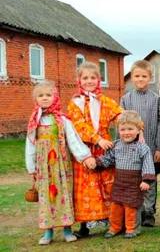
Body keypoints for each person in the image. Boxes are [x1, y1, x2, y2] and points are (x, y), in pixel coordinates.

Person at [25, 80, 96, 245]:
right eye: (40, 95)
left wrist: (85, 156)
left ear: (55, 97)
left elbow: (73, 140)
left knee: (64, 194)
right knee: (46, 197)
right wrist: (32, 168)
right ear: (35, 99)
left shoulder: (63, 119)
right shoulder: (34, 121)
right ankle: (48, 232)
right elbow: (30, 145)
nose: (44, 98)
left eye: (48, 95)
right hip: (44, 167)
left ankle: (67, 230)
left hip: (62, 165)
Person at [68, 62, 123, 237]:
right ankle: (84, 227)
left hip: (105, 148)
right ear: (79, 80)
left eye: (93, 77)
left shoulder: (105, 101)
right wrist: (97, 139)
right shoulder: (74, 103)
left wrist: (133, 124)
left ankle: (114, 223)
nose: (89, 81)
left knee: (108, 185)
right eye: (85, 78)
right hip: (86, 148)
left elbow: (119, 113)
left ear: (99, 80)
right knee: (85, 188)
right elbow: (79, 125)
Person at [96, 111, 156, 239]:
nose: (126, 132)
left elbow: (148, 165)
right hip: (118, 183)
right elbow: (109, 159)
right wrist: (97, 163)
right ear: (118, 130)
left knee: (131, 208)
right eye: (123, 129)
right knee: (115, 207)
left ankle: (132, 229)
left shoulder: (142, 148)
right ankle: (115, 227)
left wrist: (146, 180)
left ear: (139, 130)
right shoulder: (116, 145)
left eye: (130, 129)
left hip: (134, 184)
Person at [120, 60, 160, 229]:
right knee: (134, 181)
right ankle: (135, 212)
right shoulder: (126, 99)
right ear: (132, 77)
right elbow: (121, 124)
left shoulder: (157, 99)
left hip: (152, 149)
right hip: (131, 151)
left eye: (144, 76)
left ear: (150, 78)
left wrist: (159, 147)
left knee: (150, 182)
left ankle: (149, 213)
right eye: (137, 76)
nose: (140, 79)